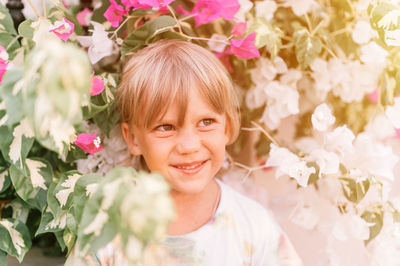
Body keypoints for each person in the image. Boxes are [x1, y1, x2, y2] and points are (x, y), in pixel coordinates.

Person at [74, 39, 302, 265]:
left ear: (227, 128)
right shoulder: (105, 236)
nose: (189, 146)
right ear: (134, 138)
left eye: (206, 122)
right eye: (166, 127)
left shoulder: (255, 228)